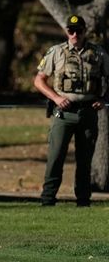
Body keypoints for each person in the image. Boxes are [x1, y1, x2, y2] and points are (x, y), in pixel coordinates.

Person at [34, 14, 109, 207]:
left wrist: (104, 99)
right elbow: (39, 80)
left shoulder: (98, 53)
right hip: (63, 113)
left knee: (84, 160)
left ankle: (83, 201)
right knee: (56, 156)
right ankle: (48, 199)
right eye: (71, 30)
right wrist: (57, 98)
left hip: (88, 112)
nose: (75, 34)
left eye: (79, 30)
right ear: (66, 31)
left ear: (85, 31)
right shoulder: (56, 52)